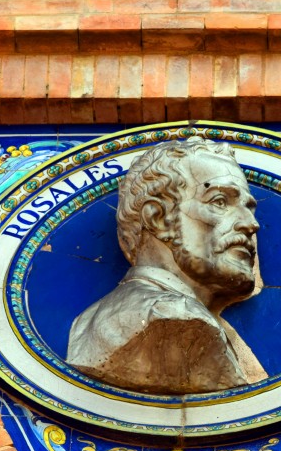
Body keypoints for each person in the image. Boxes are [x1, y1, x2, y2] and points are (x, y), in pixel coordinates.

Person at [67, 137, 267, 394]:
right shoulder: (169, 316)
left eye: (248, 208)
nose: (251, 223)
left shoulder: (103, 317)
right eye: (220, 202)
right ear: (158, 218)